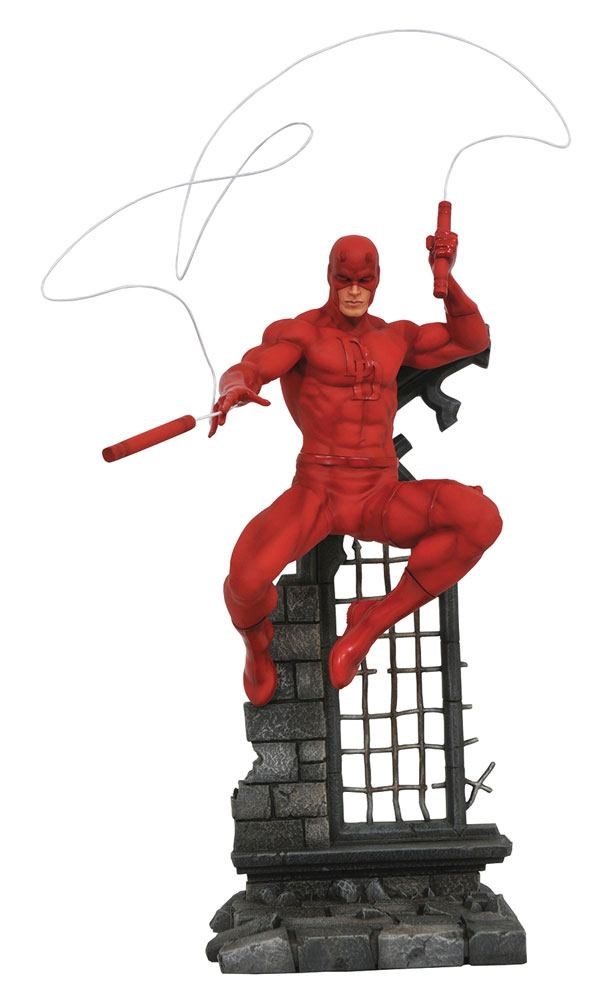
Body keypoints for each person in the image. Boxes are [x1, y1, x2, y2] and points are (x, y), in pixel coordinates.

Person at [210, 233, 502, 706]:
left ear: (377, 280)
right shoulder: (301, 333)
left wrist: (447, 283)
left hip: (379, 493)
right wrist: (236, 386)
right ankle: (257, 645)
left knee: (481, 519)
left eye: (363, 281)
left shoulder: (395, 337)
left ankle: (369, 623)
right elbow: (256, 364)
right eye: (344, 279)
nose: (353, 290)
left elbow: (472, 339)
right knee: (243, 581)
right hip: (319, 490)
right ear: (329, 276)